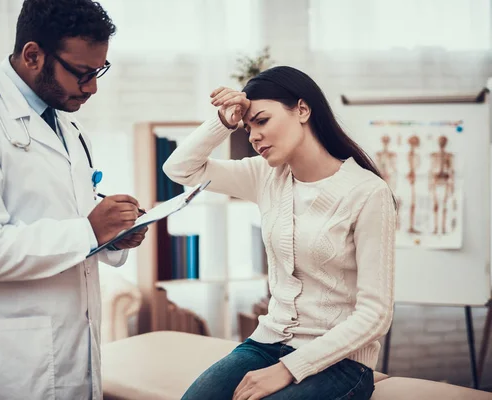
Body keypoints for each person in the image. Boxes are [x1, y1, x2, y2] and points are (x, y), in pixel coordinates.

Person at [0, 1, 147, 399]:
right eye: (82, 73)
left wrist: (113, 234)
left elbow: (65, 211)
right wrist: (90, 231)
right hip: (4, 359)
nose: (92, 86)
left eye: (99, 71)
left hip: (70, 344)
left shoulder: (65, 125)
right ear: (32, 55)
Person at [163, 66, 396, 400]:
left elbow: (375, 315)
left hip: (341, 363)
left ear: (302, 109)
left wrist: (289, 369)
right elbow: (180, 169)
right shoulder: (266, 176)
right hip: (266, 344)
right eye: (247, 127)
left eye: (262, 121)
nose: (253, 136)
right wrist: (223, 122)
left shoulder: (367, 193)